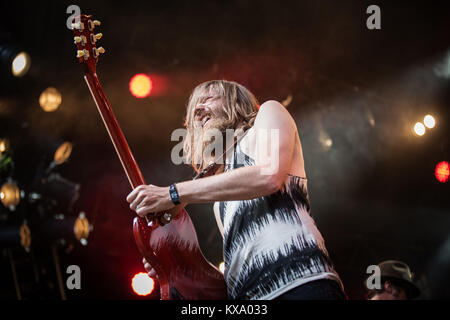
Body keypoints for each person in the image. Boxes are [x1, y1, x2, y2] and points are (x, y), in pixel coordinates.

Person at [126, 80, 345, 300]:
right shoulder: (221, 199)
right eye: (195, 108)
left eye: (208, 99)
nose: (198, 110)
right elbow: (234, 271)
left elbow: (269, 176)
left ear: (235, 101)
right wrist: (174, 270)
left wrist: (173, 193)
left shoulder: (269, 113)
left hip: (301, 284)